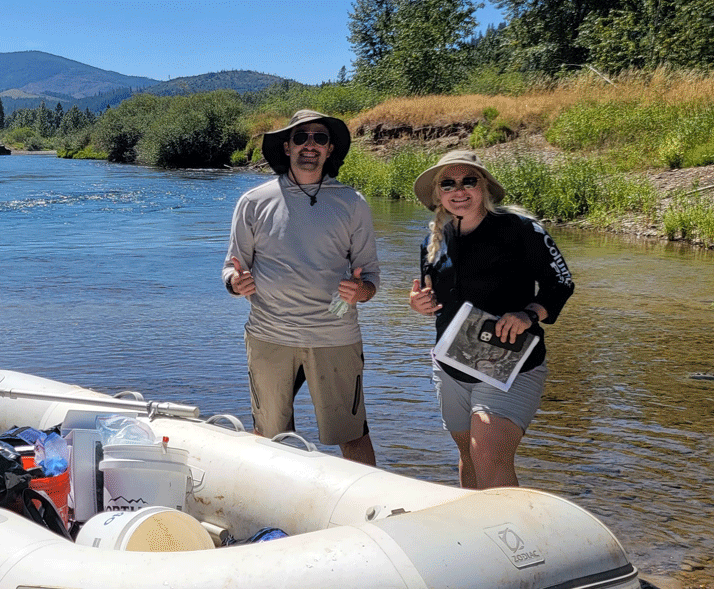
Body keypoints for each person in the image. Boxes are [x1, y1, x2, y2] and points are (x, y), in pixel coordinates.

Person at [409, 150, 574, 489]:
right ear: (438, 193)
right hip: (451, 366)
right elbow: (437, 298)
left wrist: (529, 314)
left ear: (483, 187)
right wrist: (420, 304)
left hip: (510, 362)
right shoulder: (432, 241)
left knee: (487, 454)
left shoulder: (521, 230)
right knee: (468, 456)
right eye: (449, 184)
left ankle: (513, 537)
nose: (460, 191)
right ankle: (475, 535)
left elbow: (561, 283)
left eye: (469, 181)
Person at [223, 109, 380, 465]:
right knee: (268, 437)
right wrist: (235, 283)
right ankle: (271, 512)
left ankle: (371, 512)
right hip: (269, 335)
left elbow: (370, 276)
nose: (310, 145)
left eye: (320, 138)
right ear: (287, 147)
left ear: (329, 149)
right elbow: (232, 267)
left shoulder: (352, 203)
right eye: (301, 137)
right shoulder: (253, 202)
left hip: (335, 336)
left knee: (352, 437)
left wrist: (362, 291)